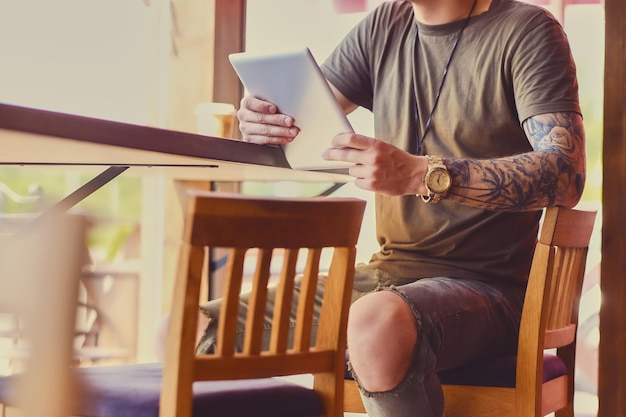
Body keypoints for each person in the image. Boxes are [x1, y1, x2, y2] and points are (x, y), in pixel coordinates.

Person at [194, 0, 586, 416]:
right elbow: (305, 118)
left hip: (493, 288)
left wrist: (424, 175)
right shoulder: (386, 23)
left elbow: (567, 172)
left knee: (375, 323)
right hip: (385, 278)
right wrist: (265, 120)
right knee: (188, 330)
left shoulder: (526, 29)